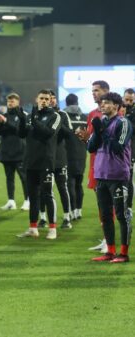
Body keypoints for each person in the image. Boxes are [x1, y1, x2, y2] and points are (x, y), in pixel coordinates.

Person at [88, 92, 132, 263]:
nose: (102, 105)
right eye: (101, 103)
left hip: (118, 175)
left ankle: (124, 253)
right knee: (106, 215)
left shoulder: (123, 123)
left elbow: (118, 148)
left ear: (116, 106)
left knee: (121, 215)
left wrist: (102, 131)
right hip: (101, 174)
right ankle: (110, 251)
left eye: (106, 102)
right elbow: (91, 148)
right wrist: (97, 132)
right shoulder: (102, 122)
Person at [16, 89, 61, 240]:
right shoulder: (30, 116)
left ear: (50, 101)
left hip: (46, 162)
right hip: (31, 161)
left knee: (47, 194)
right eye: (41, 98)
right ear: (37, 99)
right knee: (33, 196)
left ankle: (53, 228)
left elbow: (48, 133)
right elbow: (22, 134)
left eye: (46, 99)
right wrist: (22, 119)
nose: (43, 101)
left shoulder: (55, 116)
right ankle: (33, 228)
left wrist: (33, 120)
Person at [77, 81, 110, 253]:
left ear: (106, 92)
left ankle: (110, 242)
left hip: (110, 165)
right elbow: (92, 141)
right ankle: (106, 239)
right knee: (101, 204)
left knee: (111, 205)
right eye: (92, 91)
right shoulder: (91, 114)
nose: (93, 93)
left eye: (96, 90)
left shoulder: (116, 113)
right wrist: (84, 137)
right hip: (95, 164)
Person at [38, 90, 73, 229]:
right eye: (48, 98)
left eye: (52, 98)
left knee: (62, 187)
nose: (50, 101)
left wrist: (57, 123)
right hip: (45, 156)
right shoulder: (40, 115)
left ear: (55, 100)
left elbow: (69, 133)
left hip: (59, 156)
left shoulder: (62, 114)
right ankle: (43, 218)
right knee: (43, 188)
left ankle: (66, 218)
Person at [0, 92, 29, 211]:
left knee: (24, 177)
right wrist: (0, 123)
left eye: (12, 101)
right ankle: (11, 201)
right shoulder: (4, 115)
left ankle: (27, 200)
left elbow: (18, 130)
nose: (10, 103)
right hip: (6, 151)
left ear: (18, 102)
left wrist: (5, 122)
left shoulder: (23, 115)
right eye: (9, 101)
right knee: (9, 177)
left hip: (19, 151)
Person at [64, 93, 87, 221]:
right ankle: (79, 211)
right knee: (79, 184)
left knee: (70, 184)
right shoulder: (84, 117)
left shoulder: (64, 116)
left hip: (68, 154)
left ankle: (72, 211)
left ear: (66, 103)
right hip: (82, 154)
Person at [121, 88, 135, 214]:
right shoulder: (118, 110)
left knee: (129, 179)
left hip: (131, 151)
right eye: (127, 99)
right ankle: (119, 205)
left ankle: (129, 206)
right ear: (122, 98)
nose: (129, 102)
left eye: (131, 100)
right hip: (118, 151)